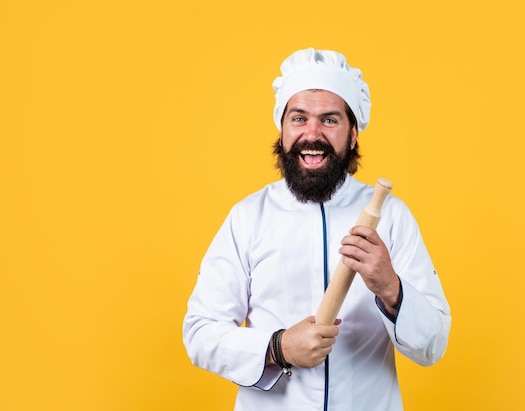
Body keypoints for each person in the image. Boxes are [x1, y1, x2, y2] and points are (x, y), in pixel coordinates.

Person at [183, 48, 451, 411]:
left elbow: (433, 345)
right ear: (282, 130)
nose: (312, 134)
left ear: (353, 133)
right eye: (298, 118)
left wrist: (391, 287)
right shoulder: (248, 217)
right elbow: (199, 333)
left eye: (329, 120)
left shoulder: (393, 217)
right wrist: (277, 348)